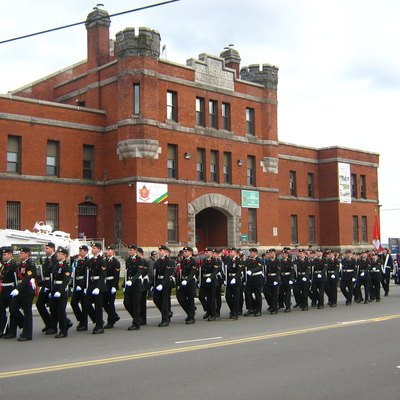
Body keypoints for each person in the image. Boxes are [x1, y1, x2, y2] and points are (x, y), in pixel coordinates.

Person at [4, 247, 37, 341]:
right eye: (20, 253)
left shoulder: (31, 265)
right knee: (13, 308)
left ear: (27, 254)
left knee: (27, 313)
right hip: (19, 290)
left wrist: (18, 289)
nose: (20, 254)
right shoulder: (20, 264)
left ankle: (27, 334)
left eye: (22, 253)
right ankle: (22, 323)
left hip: (27, 291)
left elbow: (27, 278)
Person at [49, 247, 72, 338]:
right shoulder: (56, 265)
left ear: (64, 255)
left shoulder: (67, 266)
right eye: (57, 253)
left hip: (61, 291)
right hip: (55, 289)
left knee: (61, 311)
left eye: (59, 253)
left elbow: (66, 280)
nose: (57, 255)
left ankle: (63, 330)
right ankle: (60, 325)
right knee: (54, 310)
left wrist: (60, 291)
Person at [84, 242, 106, 334]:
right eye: (92, 248)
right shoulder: (91, 260)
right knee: (86, 304)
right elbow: (88, 273)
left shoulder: (102, 260)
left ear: (99, 249)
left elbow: (102, 275)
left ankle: (99, 326)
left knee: (98, 306)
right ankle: (97, 320)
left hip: (98, 285)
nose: (92, 249)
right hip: (91, 284)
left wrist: (98, 287)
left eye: (94, 248)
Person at [124, 244, 147, 331]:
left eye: (131, 250)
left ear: (135, 251)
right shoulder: (128, 260)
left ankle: (136, 323)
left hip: (136, 283)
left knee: (136, 304)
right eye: (129, 250)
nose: (129, 251)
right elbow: (127, 272)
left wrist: (132, 280)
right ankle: (137, 318)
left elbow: (139, 272)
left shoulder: (140, 260)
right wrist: (125, 283)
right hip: (129, 283)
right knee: (126, 303)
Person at [36, 242, 58, 333]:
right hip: (45, 284)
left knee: (53, 307)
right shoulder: (46, 259)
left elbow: (55, 275)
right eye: (45, 248)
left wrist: (49, 286)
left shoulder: (56, 259)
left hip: (52, 285)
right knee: (39, 304)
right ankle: (48, 323)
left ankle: (53, 327)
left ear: (52, 249)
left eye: (47, 248)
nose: (45, 250)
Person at [0, 247, 20, 337]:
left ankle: (12, 331)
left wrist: (16, 290)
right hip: (3, 290)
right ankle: (3, 329)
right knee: (1, 309)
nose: (3, 256)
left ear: (10, 254)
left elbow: (16, 279)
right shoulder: (4, 265)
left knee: (12, 310)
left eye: (5, 254)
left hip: (10, 289)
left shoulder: (14, 265)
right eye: (3, 255)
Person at [153, 245, 174, 326]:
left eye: (161, 250)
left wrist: (162, 284)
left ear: (166, 252)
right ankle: (167, 312)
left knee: (164, 301)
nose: (159, 252)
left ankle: (165, 320)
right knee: (156, 299)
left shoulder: (169, 261)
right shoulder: (158, 261)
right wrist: (154, 284)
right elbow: (155, 273)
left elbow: (167, 274)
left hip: (166, 283)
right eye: (159, 250)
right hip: (158, 281)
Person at [176, 246, 198, 324]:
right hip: (183, 281)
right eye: (184, 252)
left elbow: (193, 272)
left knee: (190, 299)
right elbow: (180, 272)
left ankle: (191, 317)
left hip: (190, 282)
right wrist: (179, 282)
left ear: (190, 252)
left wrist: (187, 280)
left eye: (186, 252)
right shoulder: (183, 261)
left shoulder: (193, 261)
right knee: (180, 297)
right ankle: (190, 311)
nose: (184, 253)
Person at [71, 245, 89, 331]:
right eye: (79, 250)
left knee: (84, 305)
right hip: (77, 283)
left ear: (86, 252)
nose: (80, 252)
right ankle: (81, 319)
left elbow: (86, 275)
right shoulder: (79, 261)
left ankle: (84, 324)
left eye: (82, 250)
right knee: (73, 303)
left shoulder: (88, 261)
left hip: (83, 284)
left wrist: (82, 285)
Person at [103, 245, 121, 329]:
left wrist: (114, 286)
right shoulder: (104, 261)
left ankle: (111, 321)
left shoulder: (116, 262)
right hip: (105, 283)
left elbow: (116, 275)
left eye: (110, 250)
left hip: (111, 283)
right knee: (104, 302)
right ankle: (114, 315)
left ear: (113, 252)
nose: (108, 251)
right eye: (107, 250)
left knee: (111, 303)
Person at [243, 248, 264, 316]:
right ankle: (250, 308)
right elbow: (244, 268)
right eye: (250, 252)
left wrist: (251, 271)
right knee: (247, 293)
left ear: (255, 253)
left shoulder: (259, 260)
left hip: (257, 278)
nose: (250, 253)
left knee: (257, 294)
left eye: (252, 252)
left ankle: (258, 310)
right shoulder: (248, 260)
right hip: (250, 279)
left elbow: (259, 267)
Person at [225, 248, 244, 320]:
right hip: (229, 279)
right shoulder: (229, 260)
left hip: (236, 280)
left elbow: (239, 271)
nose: (230, 253)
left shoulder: (239, 260)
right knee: (228, 296)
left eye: (231, 252)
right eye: (229, 252)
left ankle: (235, 313)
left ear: (235, 253)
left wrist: (235, 278)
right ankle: (232, 310)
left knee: (236, 297)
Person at [263, 249, 280, 315]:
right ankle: (271, 304)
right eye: (269, 253)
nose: (269, 254)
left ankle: (274, 308)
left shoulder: (278, 261)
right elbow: (266, 271)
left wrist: (276, 280)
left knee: (274, 294)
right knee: (266, 292)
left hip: (275, 278)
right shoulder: (268, 261)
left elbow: (278, 271)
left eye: (271, 253)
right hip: (269, 279)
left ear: (274, 254)